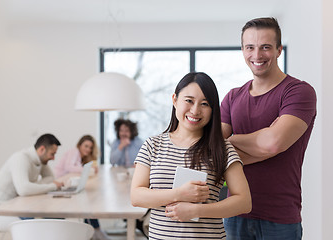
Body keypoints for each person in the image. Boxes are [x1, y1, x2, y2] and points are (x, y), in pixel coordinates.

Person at [220, 17, 317, 240]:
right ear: (242, 50)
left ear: (279, 50)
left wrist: (232, 141)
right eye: (250, 47)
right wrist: (263, 144)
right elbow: (213, 150)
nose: (257, 55)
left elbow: (273, 142)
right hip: (234, 212)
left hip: (280, 215)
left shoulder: (298, 92)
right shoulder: (233, 97)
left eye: (265, 47)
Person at [131, 72, 252, 239]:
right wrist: (180, 194)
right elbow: (136, 197)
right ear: (175, 100)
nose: (195, 110)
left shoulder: (222, 148)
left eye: (204, 104)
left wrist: (197, 210)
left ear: (213, 110)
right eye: (189, 101)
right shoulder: (153, 145)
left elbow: (244, 202)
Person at [54, 135, 110, 240]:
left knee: (88, 201)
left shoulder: (80, 157)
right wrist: (86, 169)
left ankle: (95, 231)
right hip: (61, 184)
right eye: (86, 146)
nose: (88, 149)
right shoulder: (74, 151)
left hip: (68, 185)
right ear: (79, 145)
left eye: (90, 147)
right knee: (87, 203)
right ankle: (96, 231)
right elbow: (69, 167)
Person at [0, 133, 64, 204]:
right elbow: (23, 190)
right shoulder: (20, 158)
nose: (53, 158)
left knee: (49, 207)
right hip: (1, 206)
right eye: (52, 154)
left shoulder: (40, 160)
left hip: (18, 202)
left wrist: (32, 186)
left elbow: (51, 178)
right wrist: (53, 186)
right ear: (42, 150)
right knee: (47, 209)